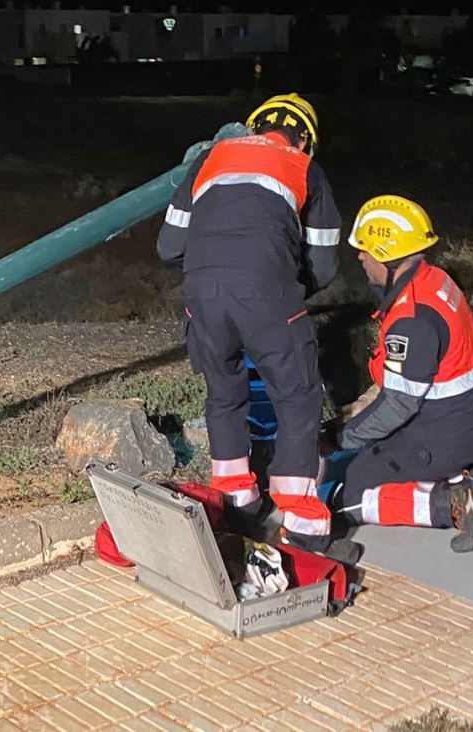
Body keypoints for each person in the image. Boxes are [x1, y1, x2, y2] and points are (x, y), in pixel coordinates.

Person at [155, 93, 350, 560]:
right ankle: (303, 526)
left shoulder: (207, 159)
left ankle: (237, 502)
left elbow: (167, 246)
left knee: (224, 393)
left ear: (254, 126)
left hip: (201, 296)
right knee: (298, 398)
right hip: (268, 293)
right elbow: (323, 267)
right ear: (304, 138)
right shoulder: (305, 169)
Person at [336, 195, 473, 552]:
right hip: (467, 423)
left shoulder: (412, 319)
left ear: (385, 252)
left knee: (350, 492)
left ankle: (459, 503)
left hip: (441, 437)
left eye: (364, 249)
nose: (360, 256)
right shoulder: (434, 279)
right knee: (372, 450)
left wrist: (341, 439)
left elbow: (397, 407)